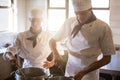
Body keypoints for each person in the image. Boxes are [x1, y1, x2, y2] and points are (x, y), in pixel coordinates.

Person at [49, 0, 115, 80]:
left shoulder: (103, 27)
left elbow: (107, 59)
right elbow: (52, 41)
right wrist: (56, 54)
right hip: (70, 69)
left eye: (83, 13)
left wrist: (84, 72)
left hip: (90, 73)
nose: (79, 17)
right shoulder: (69, 22)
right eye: (77, 13)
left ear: (90, 9)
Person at [3, 8, 54, 75]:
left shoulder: (48, 36)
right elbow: (8, 52)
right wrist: (11, 57)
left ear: (42, 20)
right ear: (30, 20)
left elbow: (58, 51)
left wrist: (52, 63)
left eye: (38, 20)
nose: (35, 23)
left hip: (43, 68)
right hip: (27, 69)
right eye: (33, 20)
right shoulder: (21, 36)